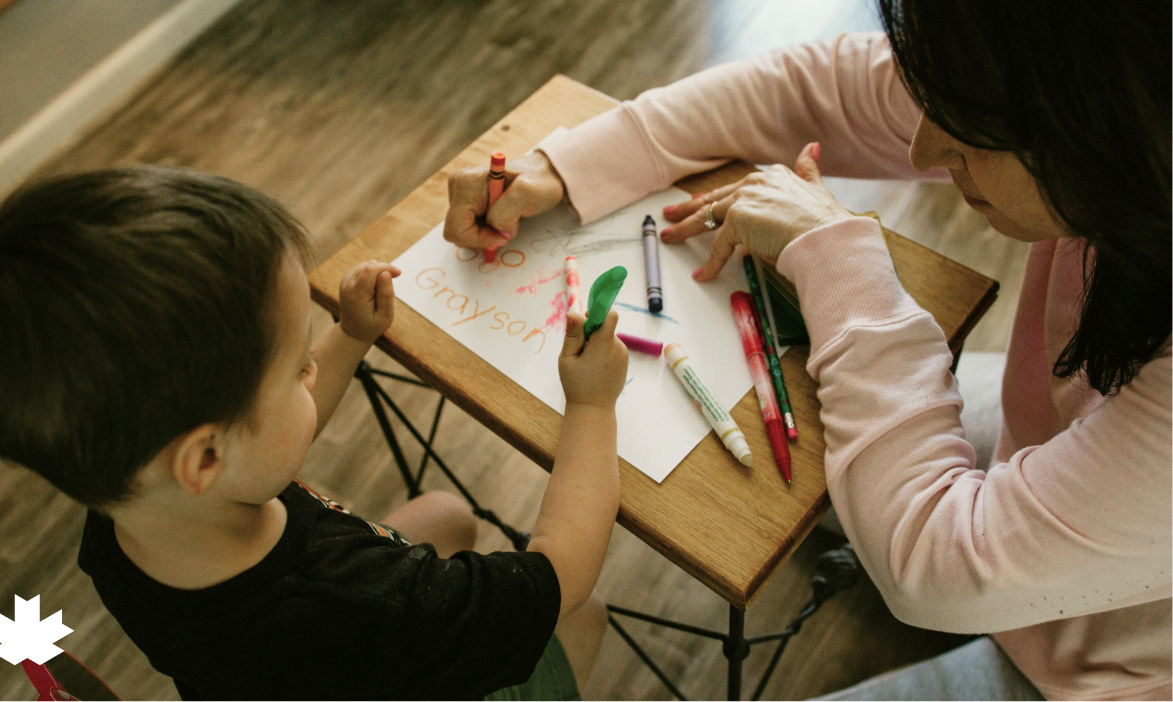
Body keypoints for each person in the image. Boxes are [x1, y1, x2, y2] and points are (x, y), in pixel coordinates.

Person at [442, 0, 1173, 699]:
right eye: (933, 99)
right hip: (1066, 449)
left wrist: (837, 260)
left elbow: (934, 566)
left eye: (968, 128)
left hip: (1121, 670)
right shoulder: (1107, 101)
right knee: (819, 478)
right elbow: (819, 87)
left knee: (859, 501)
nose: (921, 147)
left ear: (1111, 121)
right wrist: (566, 165)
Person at [0, 165, 629, 701]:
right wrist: (592, 407)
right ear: (204, 456)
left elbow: (260, 444)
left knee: (446, 514)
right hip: (382, 659)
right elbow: (560, 575)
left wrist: (349, 337)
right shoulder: (366, 604)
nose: (312, 370)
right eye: (299, 368)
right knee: (586, 614)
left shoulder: (125, 514)